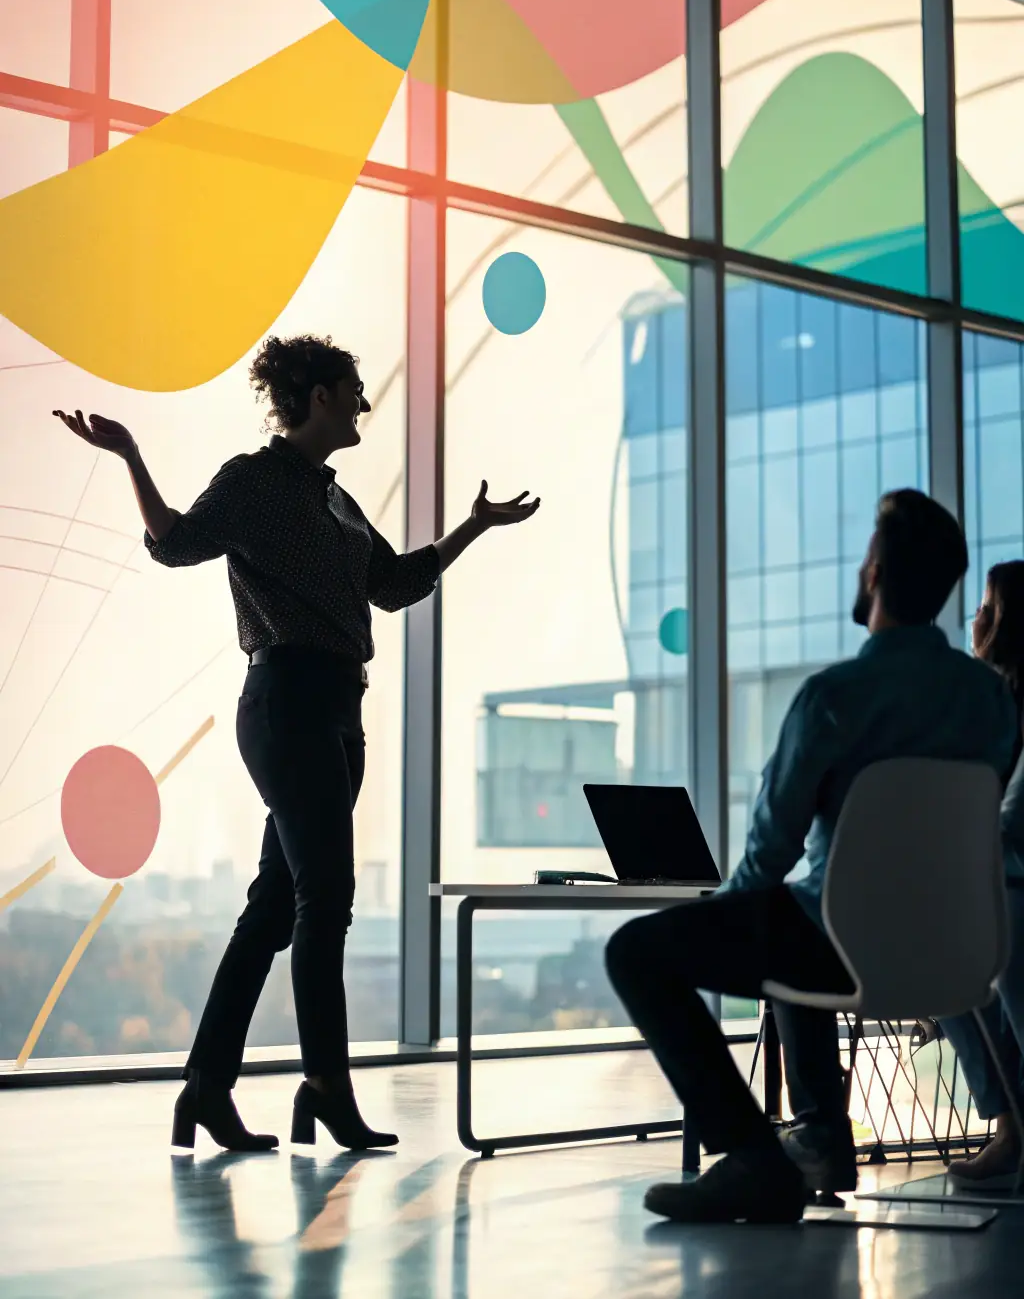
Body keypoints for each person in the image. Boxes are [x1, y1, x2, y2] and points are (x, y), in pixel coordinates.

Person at [54, 333, 539, 1153]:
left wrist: (473, 528)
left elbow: (394, 585)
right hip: (286, 703)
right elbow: (174, 542)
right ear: (317, 396)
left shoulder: (337, 501)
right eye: (354, 390)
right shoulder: (254, 482)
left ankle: (206, 1086)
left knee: (276, 906)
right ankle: (326, 1086)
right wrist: (132, 455)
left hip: (340, 710)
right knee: (328, 901)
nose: (363, 404)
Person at [605, 489, 1018, 1224]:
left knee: (641, 949)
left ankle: (753, 1157)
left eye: (866, 554)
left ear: (876, 571)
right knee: (802, 911)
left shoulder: (834, 696)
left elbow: (768, 852)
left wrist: (727, 910)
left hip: (839, 944)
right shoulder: (992, 702)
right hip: (958, 952)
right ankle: (822, 1135)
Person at [939, 560, 1024, 1189]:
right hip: (985, 876)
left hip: (1007, 878)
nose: (977, 617)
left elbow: (1011, 816)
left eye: (989, 605)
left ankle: (1011, 1125)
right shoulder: (987, 704)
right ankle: (1010, 1123)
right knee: (947, 976)